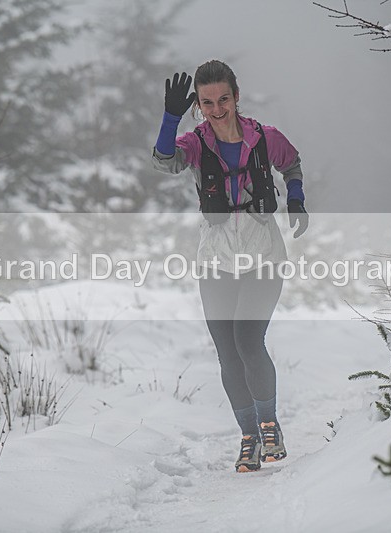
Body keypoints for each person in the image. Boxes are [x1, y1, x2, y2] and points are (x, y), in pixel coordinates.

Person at [152, 60, 309, 473]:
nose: (217, 109)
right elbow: (164, 161)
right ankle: (249, 437)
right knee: (227, 352)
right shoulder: (195, 144)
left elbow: (291, 164)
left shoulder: (265, 138)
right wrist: (170, 118)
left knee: (248, 340)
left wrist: (296, 199)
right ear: (199, 106)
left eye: (223, 99)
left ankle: (269, 425)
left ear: (236, 97)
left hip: (264, 255)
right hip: (216, 259)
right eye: (207, 103)